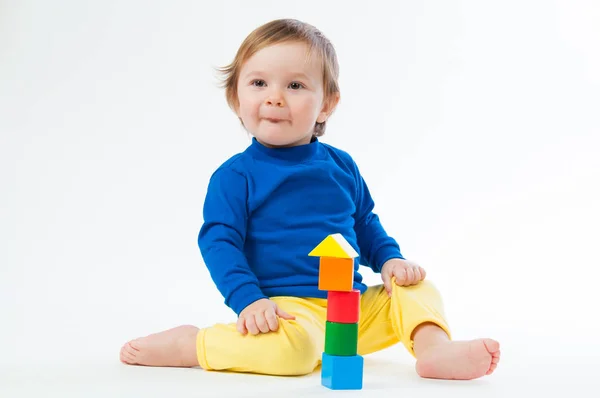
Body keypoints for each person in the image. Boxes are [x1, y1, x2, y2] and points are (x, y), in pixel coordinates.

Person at [119, 18, 500, 380]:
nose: (275, 98)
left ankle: (433, 349)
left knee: (417, 289)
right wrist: (249, 301)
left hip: (350, 309)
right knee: (295, 352)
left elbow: (364, 223)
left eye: (295, 86)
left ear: (327, 103)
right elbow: (219, 243)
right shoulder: (236, 176)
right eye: (258, 83)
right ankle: (194, 345)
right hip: (287, 311)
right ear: (236, 98)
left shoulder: (341, 166)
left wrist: (390, 259)